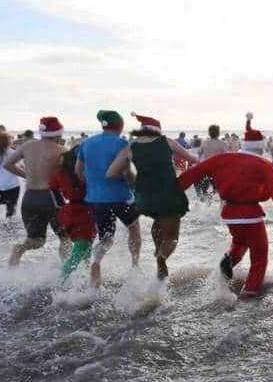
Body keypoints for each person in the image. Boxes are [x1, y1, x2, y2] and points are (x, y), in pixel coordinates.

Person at [178, 114, 273, 297]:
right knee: (260, 256)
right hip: (251, 215)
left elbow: (194, 172)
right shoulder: (264, 164)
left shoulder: (223, 159)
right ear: (259, 148)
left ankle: (228, 262)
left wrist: (174, 189)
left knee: (240, 242)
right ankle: (250, 293)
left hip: (229, 214)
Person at [106, 113, 198, 281]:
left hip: (145, 197)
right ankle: (161, 257)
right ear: (158, 130)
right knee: (172, 238)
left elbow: (111, 173)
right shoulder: (166, 141)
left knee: (158, 220)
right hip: (169, 195)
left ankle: (158, 257)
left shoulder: (130, 147)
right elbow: (192, 159)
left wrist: (131, 179)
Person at [77, 110, 142, 286]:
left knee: (106, 238)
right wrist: (134, 184)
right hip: (120, 196)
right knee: (134, 227)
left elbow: (78, 172)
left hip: (95, 198)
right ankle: (135, 264)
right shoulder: (123, 144)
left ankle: (97, 262)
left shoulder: (87, 143)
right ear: (120, 126)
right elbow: (127, 172)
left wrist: (94, 184)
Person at [4, 117, 71, 266]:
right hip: (50, 197)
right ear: (58, 134)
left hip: (29, 197)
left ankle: (19, 250)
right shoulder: (61, 151)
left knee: (36, 240)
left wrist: (27, 175)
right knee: (65, 238)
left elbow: (7, 164)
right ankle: (66, 274)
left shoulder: (27, 146)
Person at [53, 147, 96, 284]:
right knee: (81, 249)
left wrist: (61, 207)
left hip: (68, 211)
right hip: (85, 213)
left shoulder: (60, 173)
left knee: (85, 246)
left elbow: (53, 189)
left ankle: (83, 277)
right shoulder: (87, 172)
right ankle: (60, 282)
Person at [195, 124, 228, 200]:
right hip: (218, 170)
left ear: (209, 133)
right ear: (218, 133)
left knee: (204, 188)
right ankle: (212, 199)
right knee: (218, 190)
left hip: (206, 169)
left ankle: (205, 202)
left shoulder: (204, 143)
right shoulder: (223, 144)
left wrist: (197, 166)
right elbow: (226, 158)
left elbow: (199, 155)